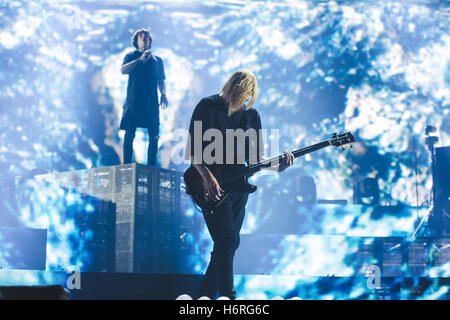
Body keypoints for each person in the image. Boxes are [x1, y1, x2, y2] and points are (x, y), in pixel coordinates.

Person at [186, 70, 295, 299]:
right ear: (230, 87)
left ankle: (205, 295)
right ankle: (228, 295)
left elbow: (256, 160)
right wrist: (207, 176)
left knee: (227, 244)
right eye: (237, 93)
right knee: (227, 239)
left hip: (238, 187)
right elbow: (192, 151)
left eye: (246, 96)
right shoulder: (207, 106)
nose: (240, 100)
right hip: (210, 185)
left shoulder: (252, 116)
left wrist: (279, 166)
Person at [120, 28, 168, 166]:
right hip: (133, 101)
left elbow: (161, 80)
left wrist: (164, 94)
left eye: (146, 37)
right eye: (141, 37)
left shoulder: (157, 60)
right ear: (136, 41)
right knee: (129, 134)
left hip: (151, 102)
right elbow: (123, 70)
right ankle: (126, 165)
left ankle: (151, 166)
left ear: (150, 41)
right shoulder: (130, 56)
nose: (144, 39)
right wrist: (139, 60)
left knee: (154, 136)